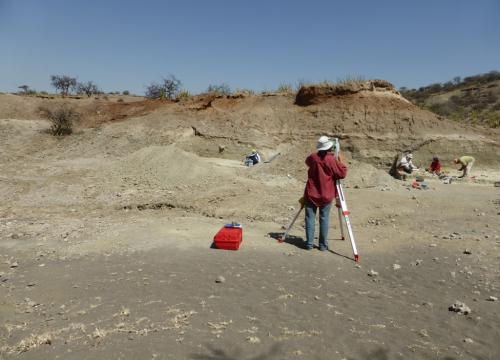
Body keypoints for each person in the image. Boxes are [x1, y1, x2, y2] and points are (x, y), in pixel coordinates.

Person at [303, 136, 347, 251]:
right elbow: (341, 174)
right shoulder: (331, 159)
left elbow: (307, 162)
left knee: (310, 218)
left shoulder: (313, 157)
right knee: (324, 218)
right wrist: (341, 162)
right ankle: (322, 245)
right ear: (329, 147)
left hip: (311, 193)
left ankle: (309, 244)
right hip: (326, 194)